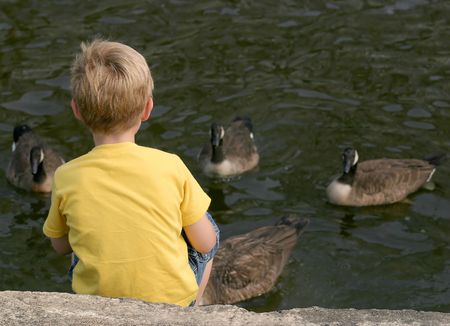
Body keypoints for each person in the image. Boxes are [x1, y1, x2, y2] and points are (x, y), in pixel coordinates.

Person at [43, 39, 219, 307]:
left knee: (80, 240)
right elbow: (205, 245)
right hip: (169, 302)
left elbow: (59, 246)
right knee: (207, 228)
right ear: (148, 108)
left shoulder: (66, 175)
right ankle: (191, 310)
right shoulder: (170, 165)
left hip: (97, 302)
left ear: (76, 110)